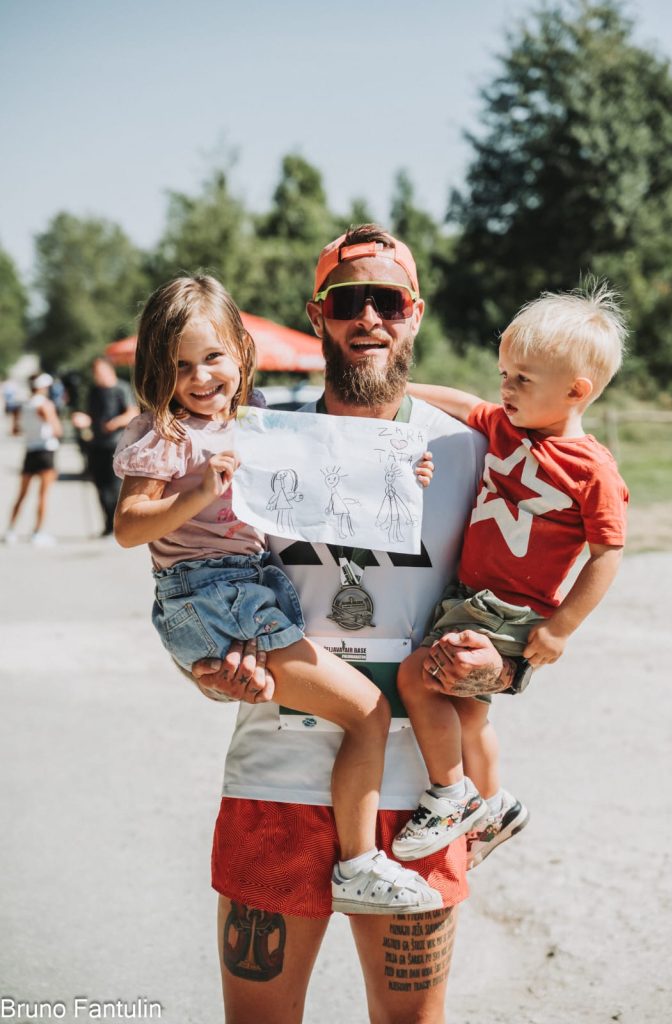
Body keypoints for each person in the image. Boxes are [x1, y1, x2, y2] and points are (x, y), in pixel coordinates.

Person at [191, 226, 513, 1024]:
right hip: (275, 777)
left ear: (414, 314)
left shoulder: (471, 452)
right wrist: (207, 670)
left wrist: (499, 667)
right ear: (318, 316)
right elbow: (203, 586)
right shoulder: (259, 443)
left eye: (388, 301)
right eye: (347, 300)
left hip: (418, 796)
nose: (368, 316)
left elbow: (515, 610)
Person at [113, 274, 441, 917]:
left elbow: (327, 470)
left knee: (336, 704)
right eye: (180, 366)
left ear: (241, 350)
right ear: (157, 369)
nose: (200, 378)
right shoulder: (163, 435)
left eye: (213, 357)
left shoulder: (254, 418)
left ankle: (355, 858)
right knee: (369, 711)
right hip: (210, 594)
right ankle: (358, 865)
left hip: (251, 587)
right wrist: (198, 493)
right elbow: (128, 528)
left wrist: (397, 464)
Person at [393, 284, 629, 870]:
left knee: (419, 678)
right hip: (468, 596)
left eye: (523, 379)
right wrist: (398, 390)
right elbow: (462, 401)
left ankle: (451, 795)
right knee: (469, 713)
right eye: (504, 374)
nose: (506, 388)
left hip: (511, 611)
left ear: (576, 391)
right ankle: (496, 805)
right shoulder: (504, 426)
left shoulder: (593, 471)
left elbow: (607, 554)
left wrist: (561, 628)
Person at [71, 356, 138, 536]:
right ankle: (108, 524)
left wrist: (115, 422)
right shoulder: (94, 391)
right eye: (95, 372)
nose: (97, 375)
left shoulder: (121, 388)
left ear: (109, 370)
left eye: (99, 371)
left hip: (117, 444)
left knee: (115, 487)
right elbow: (91, 415)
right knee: (100, 486)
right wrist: (83, 419)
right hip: (96, 443)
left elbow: (132, 413)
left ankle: (120, 523)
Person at [5, 372, 62, 546]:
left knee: (22, 494)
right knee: (43, 495)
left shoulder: (22, 406)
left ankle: (10, 530)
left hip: (30, 450)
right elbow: (57, 430)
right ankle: (37, 532)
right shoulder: (45, 405)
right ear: (43, 387)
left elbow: (15, 431)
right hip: (46, 450)